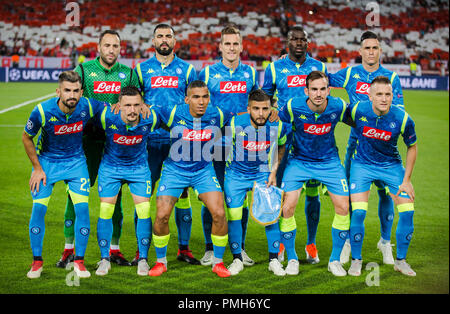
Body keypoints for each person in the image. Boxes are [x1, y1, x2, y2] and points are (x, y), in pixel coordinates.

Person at [57, 30, 141, 268]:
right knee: (75, 195)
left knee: (115, 196)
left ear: (120, 48)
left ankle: (114, 250)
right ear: (99, 47)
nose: (111, 50)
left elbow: (136, 103)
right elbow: (71, 100)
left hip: (116, 143)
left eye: (115, 46)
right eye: (107, 45)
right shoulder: (84, 71)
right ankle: (68, 250)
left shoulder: (128, 73)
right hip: (86, 143)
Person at [328, 31, 404, 265]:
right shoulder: (350, 73)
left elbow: (398, 111)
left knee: (386, 194)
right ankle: (350, 241)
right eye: (367, 48)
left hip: (383, 147)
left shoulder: (391, 77)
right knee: (353, 197)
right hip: (356, 145)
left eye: (375, 48)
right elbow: (323, 81)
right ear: (360, 51)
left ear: (380, 51)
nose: (371, 52)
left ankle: (384, 241)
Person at [23, 71, 106, 279]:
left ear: (81, 92)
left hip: (76, 162)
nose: (72, 95)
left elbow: (110, 108)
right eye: (67, 90)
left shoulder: (87, 105)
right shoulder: (42, 111)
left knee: (83, 210)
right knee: (38, 210)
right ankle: (36, 262)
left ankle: (79, 261)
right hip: (47, 163)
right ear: (58, 91)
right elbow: (26, 137)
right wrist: (37, 168)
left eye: (76, 91)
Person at [148, 80, 232, 278]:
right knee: (161, 215)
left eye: (205, 97)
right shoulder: (172, 113)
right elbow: (149, 111)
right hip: (175, 170)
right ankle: (161, 262)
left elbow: (239, 120)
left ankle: (218, 262)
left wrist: (270, 112)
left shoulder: (218, 115)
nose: (201, 102)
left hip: (203, 170)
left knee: (219, 213)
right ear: (187, 99)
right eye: (196, 97)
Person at [262, 26, 328, 264]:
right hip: (282, 139)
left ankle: (311, 243)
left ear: (308, 43)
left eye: (303, 40)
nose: (299, 43)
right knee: (279, 191)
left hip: (312, 138)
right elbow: (265, 96)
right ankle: (281, 242)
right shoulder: (274, 67)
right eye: (294, 39)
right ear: (287, 42)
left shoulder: (319, 67)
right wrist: (271, 110)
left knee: (312, 192)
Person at [135, 24, 199, 265]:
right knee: (143, 197)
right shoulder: (141, 70)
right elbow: (134, 101)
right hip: (148, 143)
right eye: (160, 36)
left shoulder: (188, 69)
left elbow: (196, 102)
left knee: (183, 195)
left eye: (168, 36)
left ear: (175, 41)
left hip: (179, 144)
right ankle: (141, 252)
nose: (164, 40)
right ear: (153, 40)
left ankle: (184, 248)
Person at [278, 71, 351, 276]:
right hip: (299, 161)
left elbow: (359, 121)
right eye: (314, 89)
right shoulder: (293, 106)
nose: (318, 94)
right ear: (306, 90)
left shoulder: (338, 106)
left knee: (343, 206)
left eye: (322, 89)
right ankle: (292, 258)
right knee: (288, 206)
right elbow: (275, 122)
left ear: (329, 90)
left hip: (329, 162)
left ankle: (335, 261)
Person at [198, 25, 259, 267]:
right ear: (220, 46)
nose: (232, 48)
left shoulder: (250, 74)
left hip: (243, 146)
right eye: (228, 43)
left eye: (236, 44)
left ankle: (240, 247)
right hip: (214, 144)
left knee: (239, 199)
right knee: (212, 197)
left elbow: (258, 105)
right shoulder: (207, 73)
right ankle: (210, 248)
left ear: (241, 47)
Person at [345, 76, 417, 277]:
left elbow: (412, 146)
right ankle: (356, 260)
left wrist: (407, 180)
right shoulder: (358, 109)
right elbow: (331, 110)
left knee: (408, 210)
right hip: (362, 165)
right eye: (379, 94)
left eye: (388, 94)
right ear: (370, 96)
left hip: (391, 166)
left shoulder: (402, 118)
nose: (384, 99)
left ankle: (400, 261)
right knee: (358, 212)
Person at [95, 86, 158, 276]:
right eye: (127, 105)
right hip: (111, 168)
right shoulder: (106, 115)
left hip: (138, 168)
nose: (132, 110)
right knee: (106, 209)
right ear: (118, 106)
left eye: (136, 105)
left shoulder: (151, 117)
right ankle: (105, 259)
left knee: (144, 210)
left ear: (143, 105)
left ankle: (143, 259)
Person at [224, 89, 288, 276]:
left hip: (262, 174)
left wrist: (273, 170)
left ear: (271, 108)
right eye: (256, 108)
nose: (261, 113)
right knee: (234, 216)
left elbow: (282, 145)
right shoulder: (235, 122)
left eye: (265, 109)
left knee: (271, 215)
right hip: (236, 175)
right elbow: (222, 147)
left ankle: (274, 261)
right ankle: (237, 259)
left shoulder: (278, 126)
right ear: (248, 108)